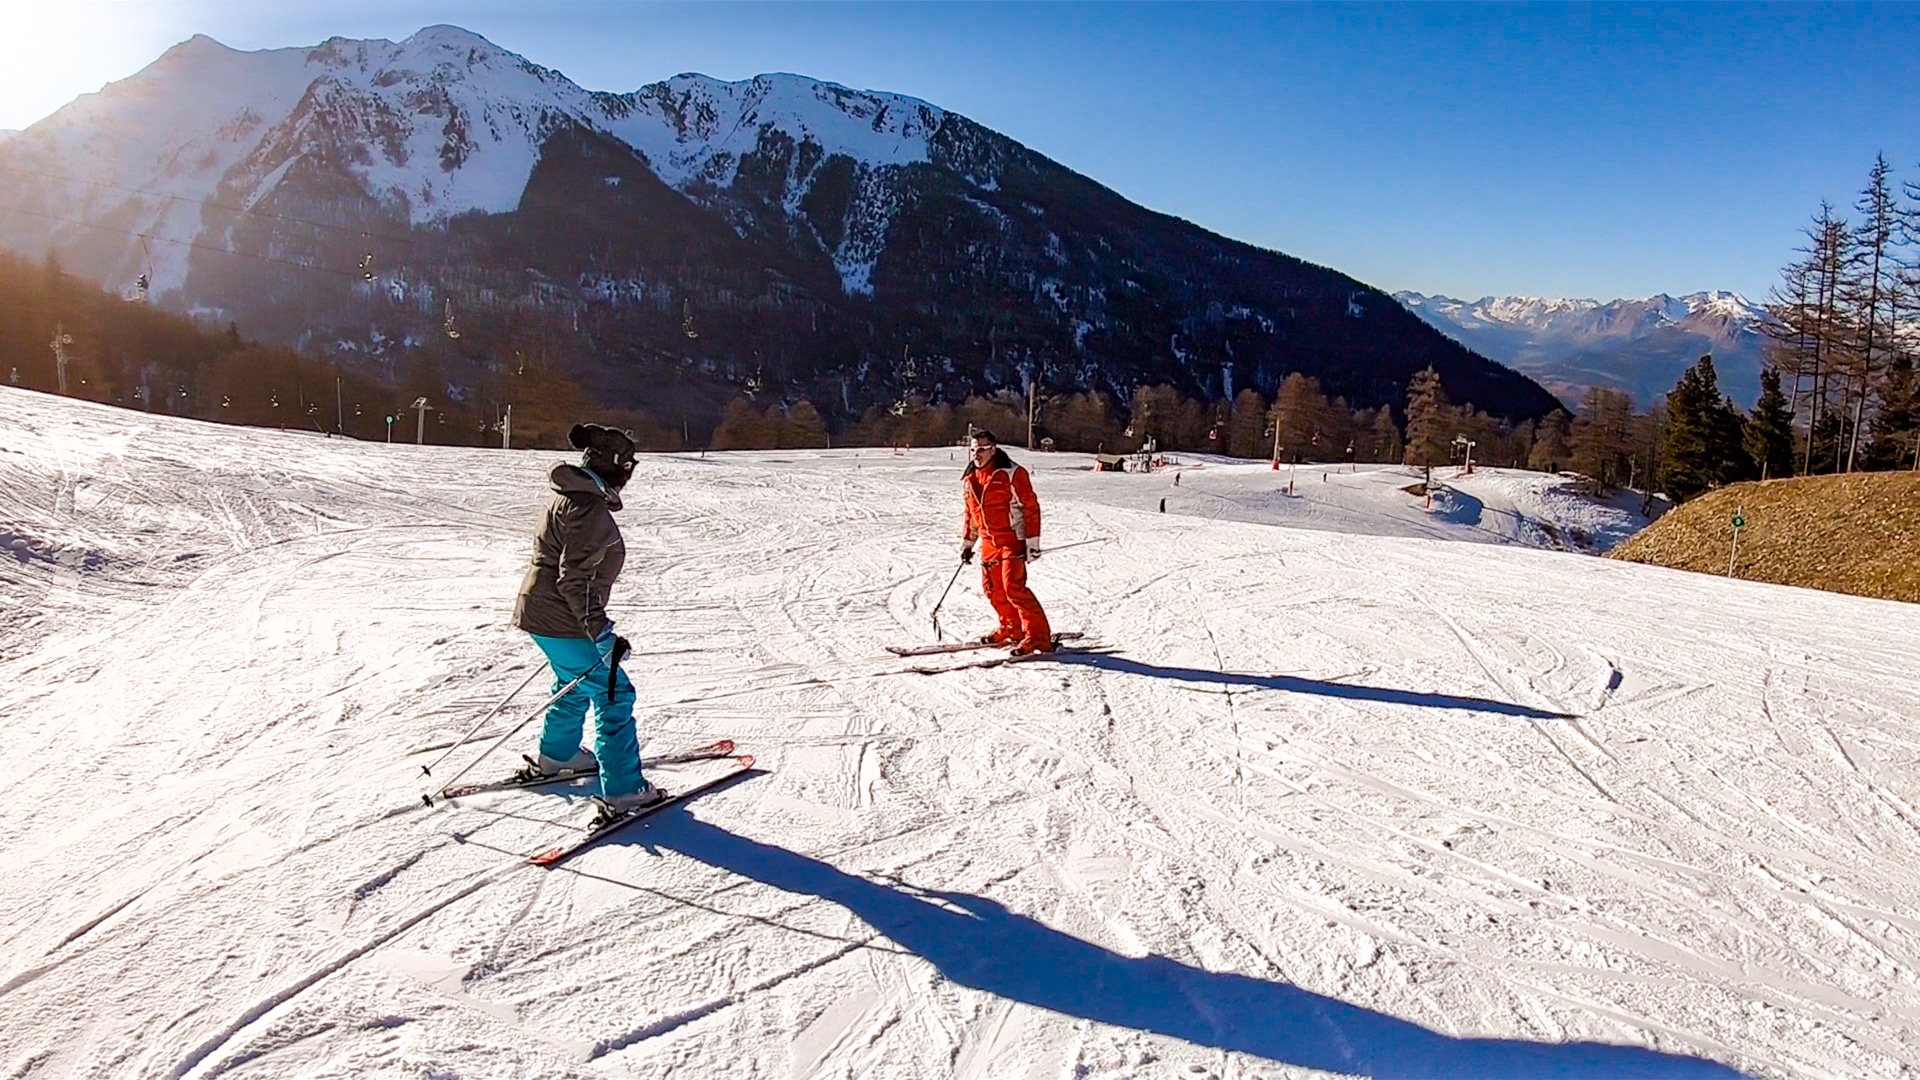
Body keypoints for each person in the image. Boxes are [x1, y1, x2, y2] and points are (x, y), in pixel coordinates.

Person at [510, 423, 662, 815]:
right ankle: (625, 790)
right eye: (628, 466)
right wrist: (602, 633)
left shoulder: (569, 498)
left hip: (540, 614)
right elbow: (574, 580)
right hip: (563, 619)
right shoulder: (587, 509)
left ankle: (558, 756)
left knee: (573, 682)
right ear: (615, 467)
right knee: (614, 692)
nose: (630, 475)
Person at [960, 429, 1054, 654]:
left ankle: (1038, 636)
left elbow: (1030, 507)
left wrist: (1033, 542)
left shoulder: (1013, 474)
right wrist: (967, 544)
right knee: (992, 590)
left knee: (1013, 587)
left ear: (993, 448)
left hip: (1012, 539)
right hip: (989, 542)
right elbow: (971, 514)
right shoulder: (970, 479)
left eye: (981, 449)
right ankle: (1012, 627)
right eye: (973, 449)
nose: (976, 454)